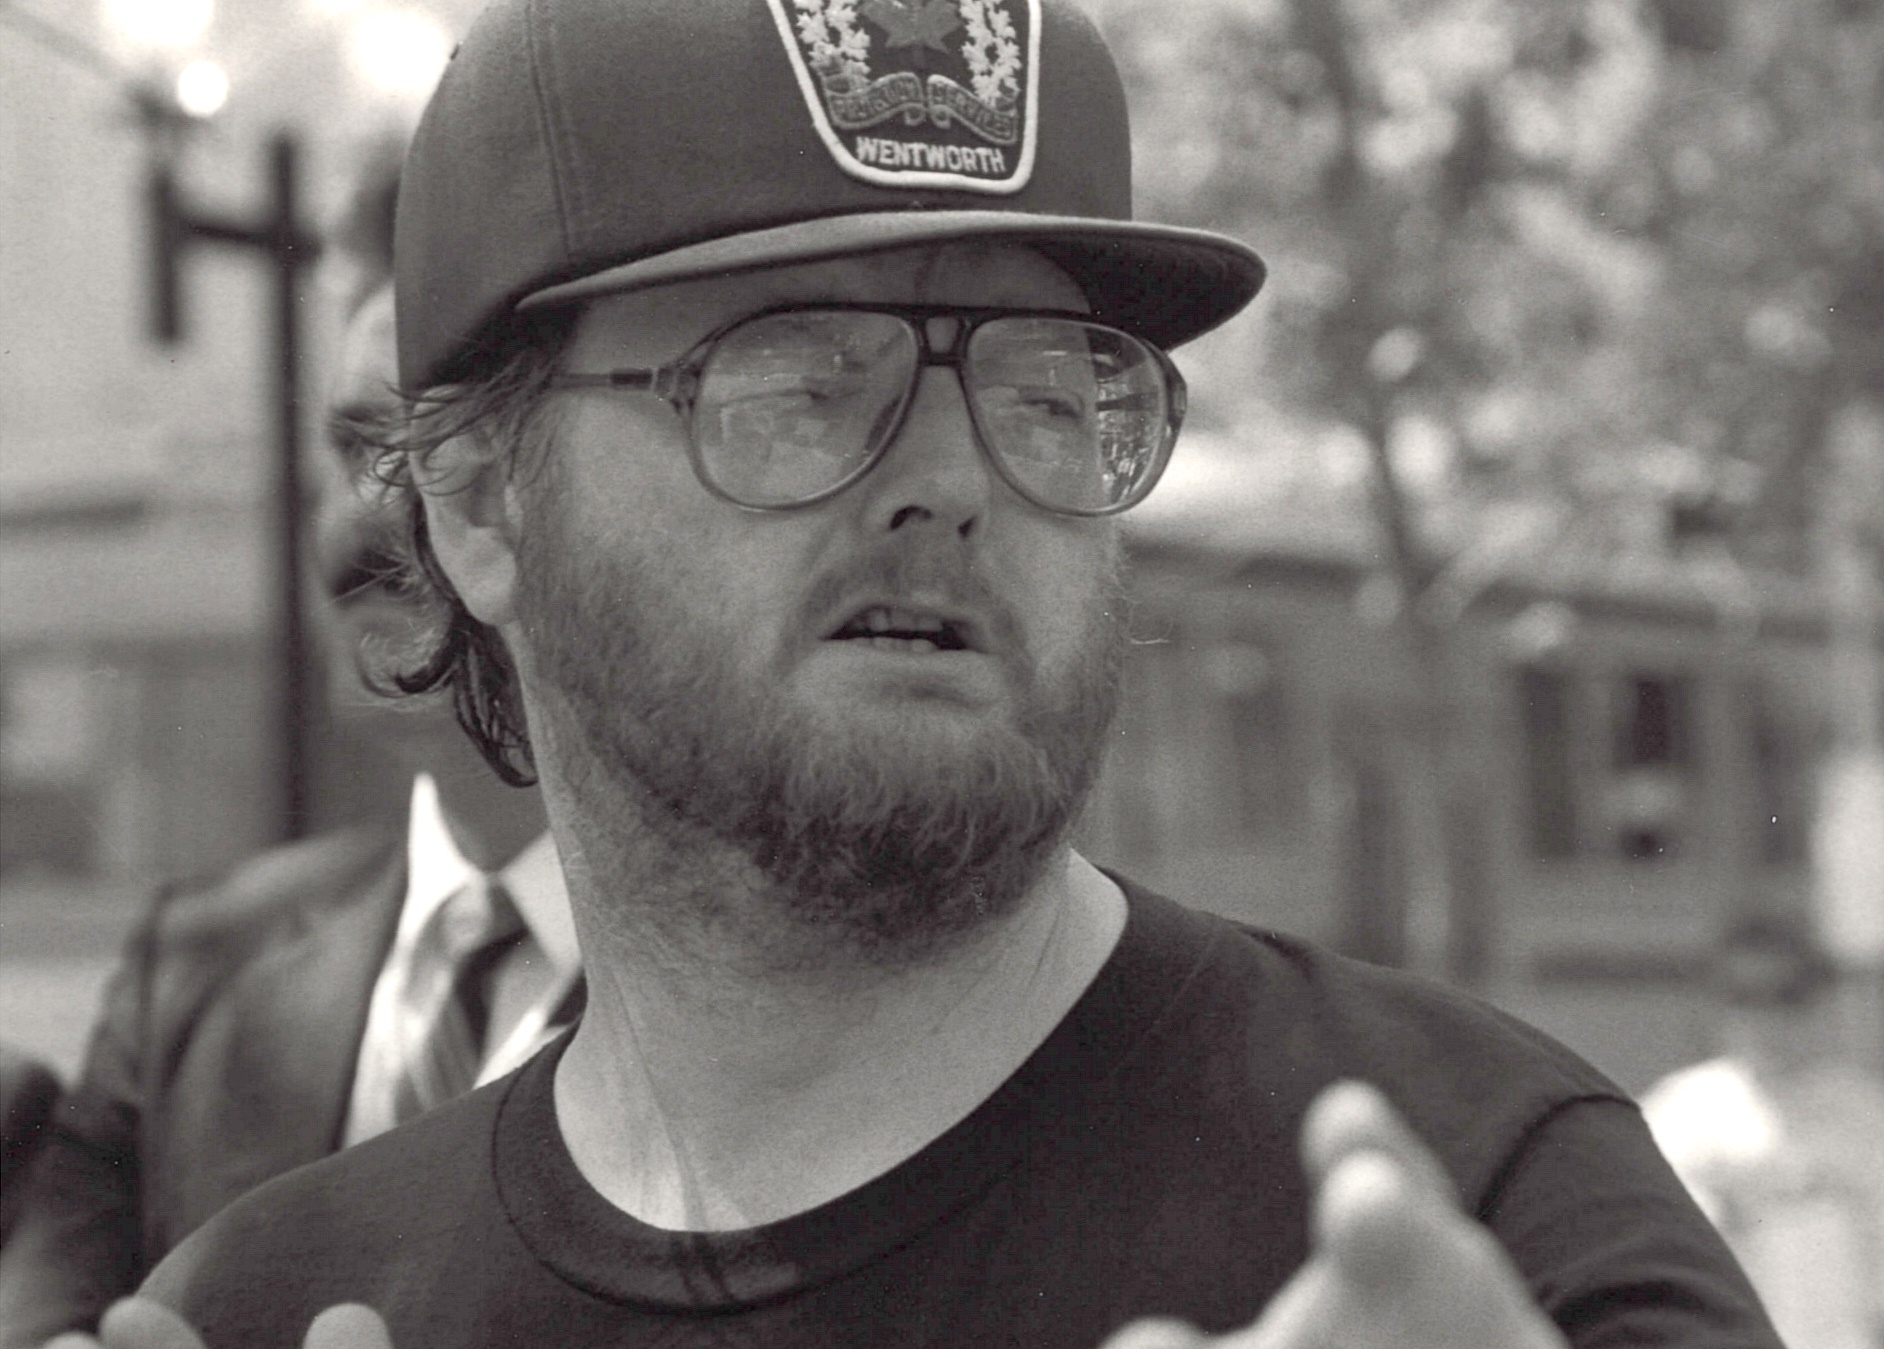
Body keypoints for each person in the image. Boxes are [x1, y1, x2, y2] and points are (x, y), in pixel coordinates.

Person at [115, 0, 1780, 1344]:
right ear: (483, 506)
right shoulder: (267, 1301)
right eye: (796, 377)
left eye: (1050, 389)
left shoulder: (1484, 1222)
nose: (954, 472)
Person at [0, 162, 579, 1346]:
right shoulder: (192, 971)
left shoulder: (760, 984)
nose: (369, 510)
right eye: (352, 442)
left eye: (438, 446)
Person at [1642, 915, 1884, 1349]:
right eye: (1744, 996)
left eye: (1787, 995)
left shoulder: (1867, 1112)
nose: (1766, 1017)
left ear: (1824, 1000)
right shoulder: (1679, 1110)